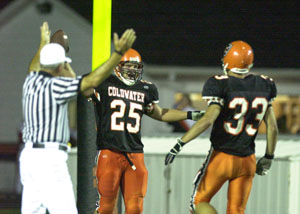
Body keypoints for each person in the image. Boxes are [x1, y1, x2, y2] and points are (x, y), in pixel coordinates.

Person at [19, 21, 136, 214]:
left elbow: (34, 66)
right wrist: (117, 54)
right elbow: (91, 82)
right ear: (59, 66)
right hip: (49, 159)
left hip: (29, 157)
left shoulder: (30, 82)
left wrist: (43, 43)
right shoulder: (56, 87)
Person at [165, 41, 278, 214]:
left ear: (227, 61)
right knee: (236, 210)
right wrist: (269, 157)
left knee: (198, 202)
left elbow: (208, 119)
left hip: (221, 157)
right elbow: (272, 127)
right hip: (248, 160)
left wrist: (180, 143)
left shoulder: (220, 83)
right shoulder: (265, 84)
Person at [90, 48, 204, 214]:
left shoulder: (145, 89)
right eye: (129, 66)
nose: (133, 70)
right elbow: (85, 87)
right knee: (106, 207)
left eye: (136, 67)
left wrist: (189, 114)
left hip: (135, 154)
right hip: (110, 152)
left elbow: (160, 113)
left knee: (135, 209)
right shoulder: (105, 83)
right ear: (118, 66)